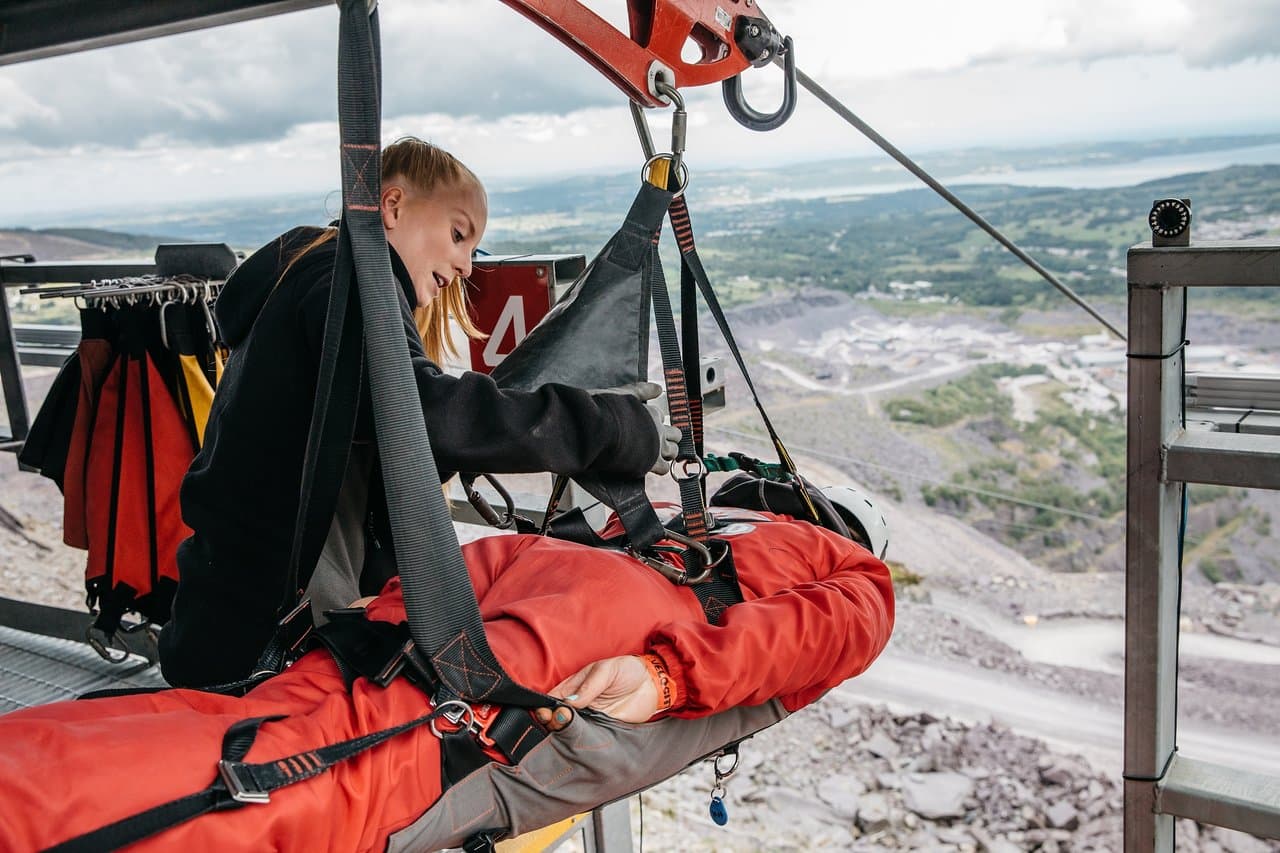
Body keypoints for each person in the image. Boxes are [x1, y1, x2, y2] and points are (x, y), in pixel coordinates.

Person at [0, 501, 894, 852]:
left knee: (233, 785)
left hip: (457, 729)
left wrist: (663, 677)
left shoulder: (817, 561)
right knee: (207, 742)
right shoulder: (653, 537)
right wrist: (376, 635)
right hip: (404, 688)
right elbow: (489, 563)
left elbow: (850, 615)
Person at [159, 137, 680, 688]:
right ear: (392, 207)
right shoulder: (346, 283)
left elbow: (380, 446)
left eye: (473, 249)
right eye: (458, 235)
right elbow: (427, 415)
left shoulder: (316, 286)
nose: (464, 265)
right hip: (257, 648)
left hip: (231, 624)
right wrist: (611, 429)